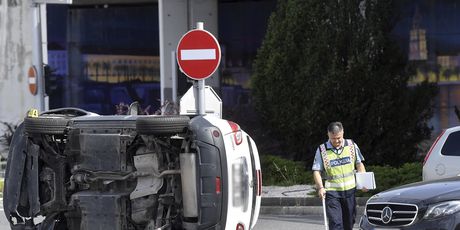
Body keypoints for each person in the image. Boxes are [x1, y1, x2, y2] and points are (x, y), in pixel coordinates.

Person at [312, 121, 367, 230]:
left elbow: (359, 164)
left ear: (343, 133)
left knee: (349, 223)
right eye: (333, 138)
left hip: (350, 191)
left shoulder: (351, 145)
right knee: (336, 223)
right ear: (328, 135)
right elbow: (316, 171)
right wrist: (321, 188)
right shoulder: (322, 150)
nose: (336, 141)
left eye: (339, 138)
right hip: (332, 193)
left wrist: (364, 183)